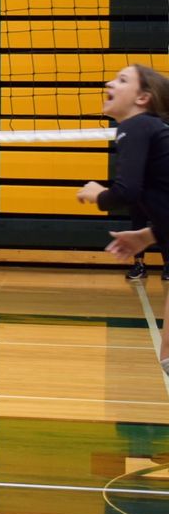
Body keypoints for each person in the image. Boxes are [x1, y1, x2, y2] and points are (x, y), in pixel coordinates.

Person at [85, 65, 169, 378]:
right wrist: (148, 236)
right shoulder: (149, 131)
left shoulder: (136, 126)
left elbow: (127, 191)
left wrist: (98, 195)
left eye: (122, 80)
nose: (109, 83)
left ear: (143, 98)